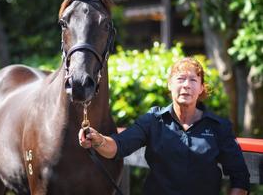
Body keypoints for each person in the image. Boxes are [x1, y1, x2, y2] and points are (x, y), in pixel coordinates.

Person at [79, 57, 250, 195]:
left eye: (193, 80)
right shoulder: (152, 120)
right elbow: (118, 146)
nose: (186, 85)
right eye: (180, 79)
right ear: (170, 85)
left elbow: (240, 177)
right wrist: (98, 139)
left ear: (201, 88)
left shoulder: (219, 127)